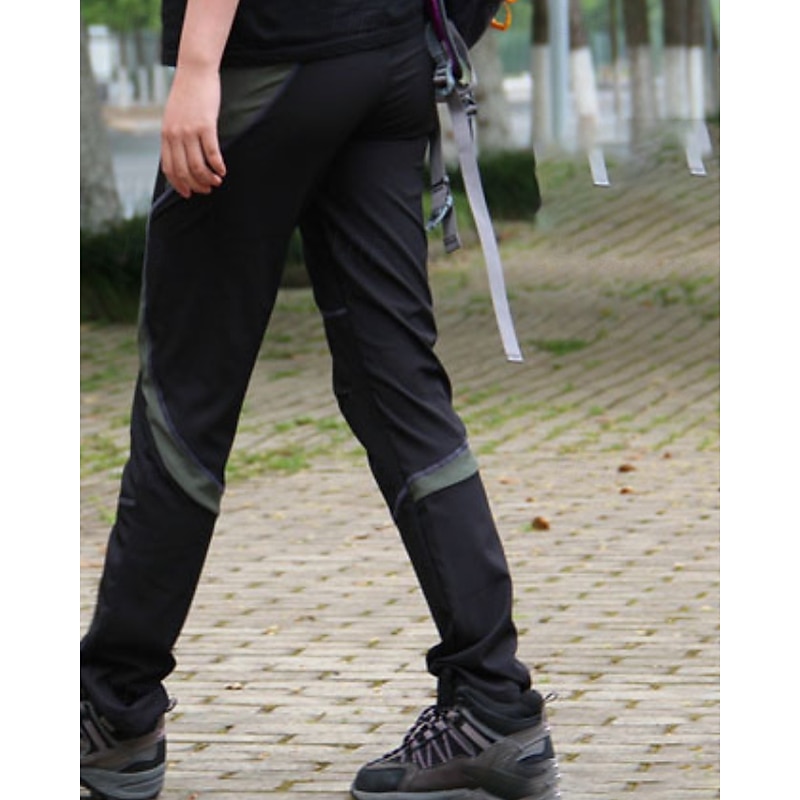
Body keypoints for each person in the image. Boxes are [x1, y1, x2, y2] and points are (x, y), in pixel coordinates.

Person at [80, 1, 560, 798]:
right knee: (398, 386)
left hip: (271, 61)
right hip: (389, 64)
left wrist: (197, 66)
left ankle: (112, 711)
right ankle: (492, 703)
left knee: (186, 395)